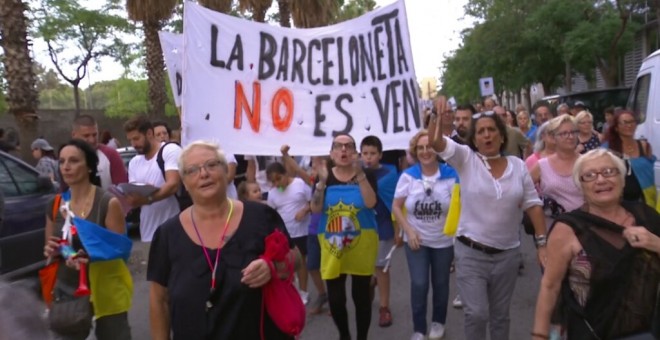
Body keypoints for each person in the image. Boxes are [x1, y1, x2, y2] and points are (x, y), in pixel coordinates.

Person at [147, 141, 296, 339]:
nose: (204, 174)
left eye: (211, 165)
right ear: (184, 182)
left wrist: (271, 267)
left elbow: (295, 259)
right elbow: (159, 300)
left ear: (226, 171)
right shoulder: (167, 234)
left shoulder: (261, 216)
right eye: (192, 170)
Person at [427, 97, 546, 340]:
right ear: (474, 139)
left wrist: (542, 244)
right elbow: (435, 142)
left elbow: (533, 204)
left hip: (508, 255)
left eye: (492, 130)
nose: (487, 135)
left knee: (501, 316)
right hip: (470, 253)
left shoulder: (518, 166)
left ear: (502, 136)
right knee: (477, 313)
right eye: (481, 131)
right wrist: (436, 116)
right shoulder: (465, 159)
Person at [533, 149, 660, 339]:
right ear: (580, 186)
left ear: (622, 179)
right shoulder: (568, 228)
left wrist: (656, 244)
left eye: (609, 172)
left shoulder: (647, 217)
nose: (601, 180)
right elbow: (550, 286)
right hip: (591, 332)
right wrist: (540, 335)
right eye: (590, 176)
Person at [43, 139, 132, 340]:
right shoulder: (55, 204)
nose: (66, 166)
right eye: (62, 161)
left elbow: (121, 251)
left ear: (90, 166)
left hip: (106, 290)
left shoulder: (108, 203)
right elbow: (57, 246)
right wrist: (56, 251)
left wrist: (91, 256)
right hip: (68, 290)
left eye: (73, 161)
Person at [310, 134, 378, 340]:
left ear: (355, 152)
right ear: (331, 153)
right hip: (332, 245)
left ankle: (362, 337)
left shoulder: (366, 174)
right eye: (338, 146)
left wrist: (361, 176)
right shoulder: (324, 176)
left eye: (349, 146)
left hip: (361, 244)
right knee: (336, 299)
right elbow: (315, 209)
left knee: (361, 298)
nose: (343, 150)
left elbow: (370, 203)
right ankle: (345, 335)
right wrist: (321, 183)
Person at [392, 130, 457, 340]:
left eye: (429, 146)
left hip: (444, 241)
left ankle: (439, 321)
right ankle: (419, 328)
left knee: (441, 284)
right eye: (420, 148)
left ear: (437, 149)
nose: (425, 151)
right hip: (416, 241)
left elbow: (461, 207)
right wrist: (408, 231)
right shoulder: (408, 177)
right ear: (415, 151)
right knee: (419, 284)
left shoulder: (451, 175)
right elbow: (396, 207)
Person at [360, 135, 401, 328]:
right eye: (365, 153)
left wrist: (398, 229)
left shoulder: (390, 174)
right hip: (361, 227)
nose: (368, 157)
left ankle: (384, 307)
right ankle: (369, 283)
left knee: (382, 267)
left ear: (380, 155)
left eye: (372, 153)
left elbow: (396, 203)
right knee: (365, 266)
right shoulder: (354, 174)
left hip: (383, 225)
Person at [123, 116, 182, 242]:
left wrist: (148, 198)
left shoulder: (169, 150)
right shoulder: (134, 162)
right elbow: (134, 192)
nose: (133, 144)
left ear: (149, 133)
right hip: (148, 232)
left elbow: (172, 184)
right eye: (130, 140)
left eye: (136, 138)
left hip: (174, 229)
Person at [266, 162, 312, 304]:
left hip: (301, 231)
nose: (276, 183)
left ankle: (304, 292)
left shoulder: (299, 184)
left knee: (302, 261)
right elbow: (271, 212)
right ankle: (291, 291)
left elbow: (313, 202)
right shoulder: (273, 193)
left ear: (286, 174)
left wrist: (304, 210)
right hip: (284, 233)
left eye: (278, 179)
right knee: (287, 263)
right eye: (273, 181)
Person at [531, 115, 584, 230]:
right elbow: (522, 191)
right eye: (564, 133)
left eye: (573, 132)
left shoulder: (587, 162)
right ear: (553, 138)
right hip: (554, 227)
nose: (570, 137)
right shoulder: (542, 165)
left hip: (585, 223)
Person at [605, 110, 657, 208]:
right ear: (616, 127)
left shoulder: (644, 146)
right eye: (625, 122)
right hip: (618, 202)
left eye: (632, 122)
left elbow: (650, 172)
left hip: (645, 200)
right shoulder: (607, 149)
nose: (629, 125)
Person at [71, 115, 128, 189]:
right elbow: (61, 193)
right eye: (86, 136)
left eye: (95, 135)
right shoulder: (66, 158)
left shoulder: (111, 155)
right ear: (74, 135)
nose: (92, 140)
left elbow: (122, 191)